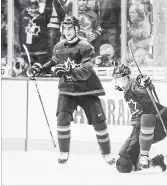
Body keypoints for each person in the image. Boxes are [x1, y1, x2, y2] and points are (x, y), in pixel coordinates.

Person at [27, 16, 115, 165]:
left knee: (99, 122)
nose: (67, 31)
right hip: (67, 90)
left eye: (70, 28)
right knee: (62, 118)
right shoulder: (59, 46)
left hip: (87, 90)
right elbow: (55, 61)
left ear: (76, 29)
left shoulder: (86, 47)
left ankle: (106, 154)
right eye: (65, 28)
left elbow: (86, 70)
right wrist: (40, 69)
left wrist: (68, 73)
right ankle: (64, 152)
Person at [112, 64, 167, 173]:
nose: (118, 82)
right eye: (116, 79)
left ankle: (144, 154)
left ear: (128, 77)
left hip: (157, 124)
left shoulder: (133, 85)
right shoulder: (126, 92)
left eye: (120, 78)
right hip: (142, 131)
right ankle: (157, 161)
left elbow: (141, 87)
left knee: (145, 117)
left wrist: (143, 83)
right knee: (123, 165)